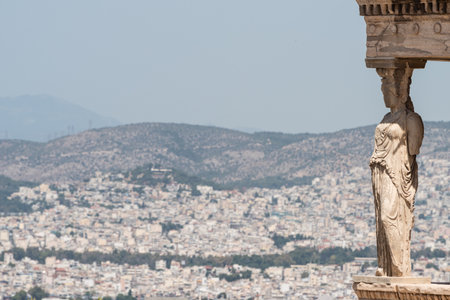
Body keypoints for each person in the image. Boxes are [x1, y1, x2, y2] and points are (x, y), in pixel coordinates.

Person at [370, 67, 424, 277]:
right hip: (380, 172)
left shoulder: (411, 119)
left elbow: (413, 150)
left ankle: (400, 267)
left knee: (388, 217)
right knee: (381, 219)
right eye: (383, 89)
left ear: (401, 91)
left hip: (396, 173)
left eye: (389, 88)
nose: (385, 93)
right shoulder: (386, 117)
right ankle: (387, 267)